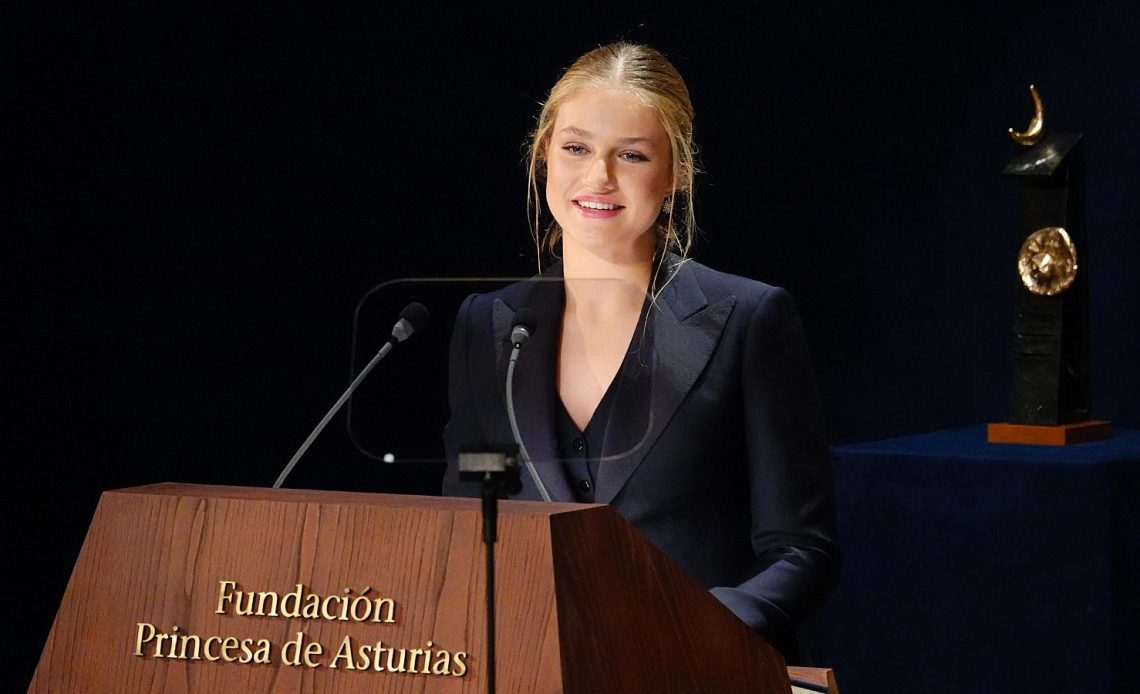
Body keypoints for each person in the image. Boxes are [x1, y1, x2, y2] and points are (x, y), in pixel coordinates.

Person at [442, 42, 839, 661]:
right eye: (576, 148)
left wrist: (694, 626)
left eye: (631, 155)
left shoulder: (749, 319)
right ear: (543, 153)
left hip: (695, 668)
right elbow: (467, 524)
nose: (598, 176)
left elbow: (802, 549)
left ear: (676, 171)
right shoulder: (485, 326)